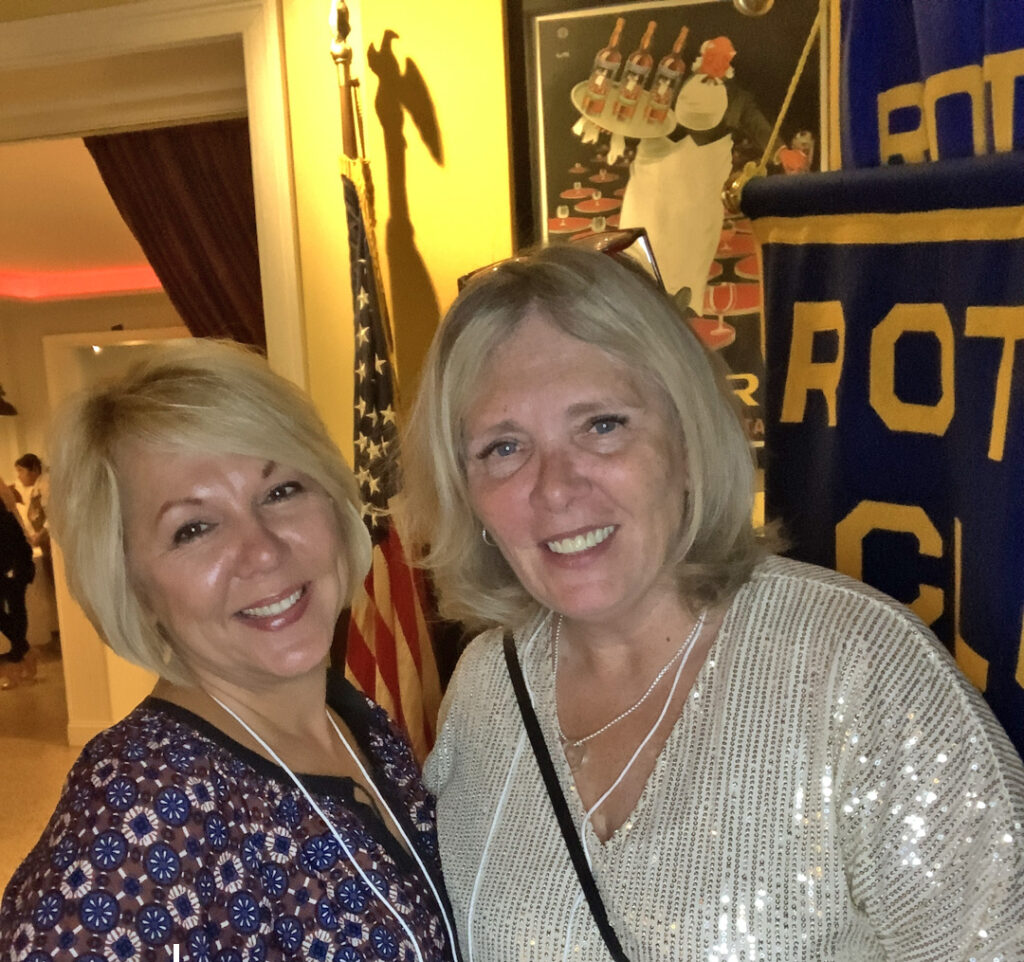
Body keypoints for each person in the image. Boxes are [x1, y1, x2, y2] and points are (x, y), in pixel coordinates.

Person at [399, 242, 1024, 961]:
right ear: (469, 494)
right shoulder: (484, 693)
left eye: (602, 426)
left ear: (688, 444)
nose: (556, 487)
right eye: (504, 448)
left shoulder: (857, 668)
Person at [0, 340, 458, 962]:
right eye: (193, 528)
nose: (262, 551)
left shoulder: (351, 717)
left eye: (282, 491)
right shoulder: (141, 812)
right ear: (131, 580)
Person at [0, 496, 34, 675]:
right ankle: (22, 648)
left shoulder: (6, 520)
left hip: (15, 571)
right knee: (16, 609)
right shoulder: (8, 518)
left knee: (17, 609)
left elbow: (18, 547)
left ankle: (19, 654)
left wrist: (15, 569)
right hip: (10, 571)